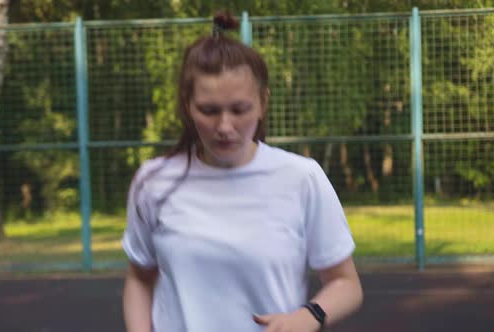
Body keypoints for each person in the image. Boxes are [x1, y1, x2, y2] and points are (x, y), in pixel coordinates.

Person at [122, 11, 363, 332]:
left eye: (239, 109)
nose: (224, 126)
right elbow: (139, 278)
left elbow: (346, 284)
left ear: (263, 103)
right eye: (209, 110)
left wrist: (309, 316)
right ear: (187, 105)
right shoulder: (153, 181)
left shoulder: (301, 178)